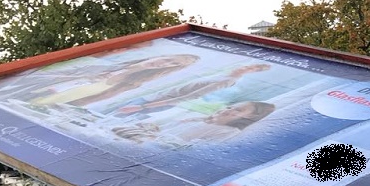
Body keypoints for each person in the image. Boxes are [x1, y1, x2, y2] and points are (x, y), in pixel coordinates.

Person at [27, 54, 200, 108]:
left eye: (172, 64)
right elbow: (52, 73)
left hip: (42, 103)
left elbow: (89, 100)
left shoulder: (132, 82)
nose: (164, 63)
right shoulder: (112, 62)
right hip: (28, 91)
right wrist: (82, 77)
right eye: (169, 59)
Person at [110, 62, 272, 119]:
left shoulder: (227, 81)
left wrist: (142, 107)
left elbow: (188, 97)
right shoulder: (223, 75)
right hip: (152, 98)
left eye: (251, 68)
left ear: (253, 72)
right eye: (248, 65)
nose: (245, 67)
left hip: (153, 103)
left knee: (113, 118)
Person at [112, 100, 275, 146]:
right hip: (139, 139)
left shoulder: (228, 132)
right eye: (230, 106)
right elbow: (161, 128)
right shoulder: (198, 118)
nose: (228, 109)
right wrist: (149, 128)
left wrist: (154, 136)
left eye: (237, 110)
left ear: (249, 118)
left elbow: (191, 148)